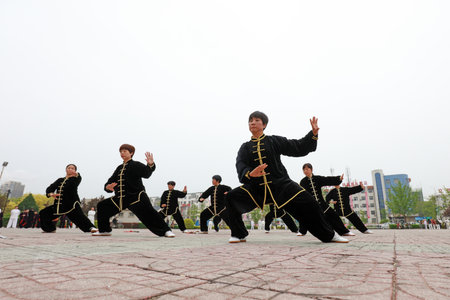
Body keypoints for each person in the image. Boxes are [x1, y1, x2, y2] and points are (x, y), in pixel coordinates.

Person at [225, 111, 348, 243]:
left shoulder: (274, 140)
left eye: (256, 120)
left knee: (310, 203)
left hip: (281, 185)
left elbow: (296, 146)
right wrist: (249, 173)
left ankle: (329, 235)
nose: (252, 123)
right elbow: (240, 163)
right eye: (250, 121)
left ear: (264, 124)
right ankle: (239, 233)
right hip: (256, 188)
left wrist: (312, 134)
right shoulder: (245, 147)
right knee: (230, 197)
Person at [94, 144, 174, 237]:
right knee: (102, 206)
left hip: (137, 197)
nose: (122, 153)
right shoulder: (119, 168)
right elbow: (110, 182)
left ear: (131, 153)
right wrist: (107, 187)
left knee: (150, 214)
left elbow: (147, 173)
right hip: (121, 198)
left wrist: (150, 164)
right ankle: (104, 230)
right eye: (121, 151)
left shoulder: (136, 165)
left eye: (125, 151)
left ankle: (166, 231)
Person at [40, 164, 97, 233]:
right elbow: (50, 188)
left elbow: (79, 178)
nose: (70, 169)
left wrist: (77, 174)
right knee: (43, 213)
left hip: (71, 204)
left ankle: (91, 228)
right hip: (59, 205)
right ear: (66, 169)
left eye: (72, 168)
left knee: (80, 217)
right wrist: (51, 194)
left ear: (75, 171)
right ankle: (50, 229)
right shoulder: (60, 180)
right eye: (69, 168)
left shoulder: (75, 179)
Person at [299, 163, 352, 236]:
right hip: (311, 205)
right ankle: (302, 232)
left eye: (307, 169)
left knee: (333, 215)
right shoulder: (302, 182)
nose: (306, 171)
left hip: (322, 204)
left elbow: (327, 179)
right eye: (304, 169)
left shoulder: (317, 178)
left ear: (311, 170)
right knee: (304, 215)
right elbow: (302, 193)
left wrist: (338, 179)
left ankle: (344, 231)